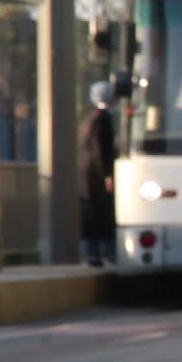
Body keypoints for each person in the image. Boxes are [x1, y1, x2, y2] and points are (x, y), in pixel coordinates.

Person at [79, 81, 117, 266]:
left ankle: (93, 252)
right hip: (97, 175)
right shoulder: (103, 120)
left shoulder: (90, 120)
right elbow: (101, 151)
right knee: (103, 213)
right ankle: (104, 252)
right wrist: (107, 175)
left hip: (88, 174)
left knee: (91, 213)